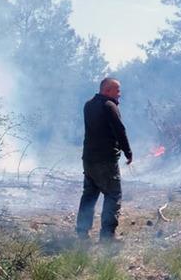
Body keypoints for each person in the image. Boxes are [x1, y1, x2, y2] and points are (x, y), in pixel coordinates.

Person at [75, 77, 132, 242]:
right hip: (105, 160)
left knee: (89, 195)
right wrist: (128, 152)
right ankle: (107, 236)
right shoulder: (109, 106)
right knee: (113, 195)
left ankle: (82, 233)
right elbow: (119, 130)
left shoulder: (89, 104)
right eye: (117, 90)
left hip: (89, 159)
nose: (119, 94)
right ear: (107, 90)